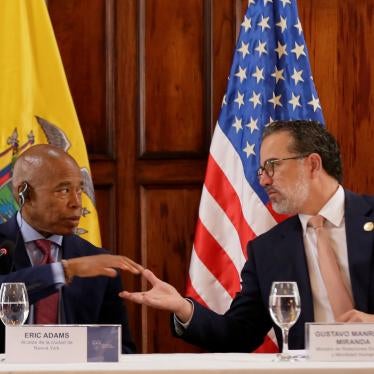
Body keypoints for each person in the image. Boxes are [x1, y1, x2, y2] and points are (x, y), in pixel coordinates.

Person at [119, 120, 374, 352]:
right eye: (262, 170)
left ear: (313, 164)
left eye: (272, 166)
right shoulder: (268, 250)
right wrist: (184, 309)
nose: (263, 180)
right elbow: (239, 334)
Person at [0, 144, 141, 353]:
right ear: (24, 193)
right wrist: (63, 271)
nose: (77, 203)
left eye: (80, 190)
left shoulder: (98, 261)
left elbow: (120, 349)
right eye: (64, 190)